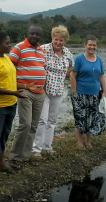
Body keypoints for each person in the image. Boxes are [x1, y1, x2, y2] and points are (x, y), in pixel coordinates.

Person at [0, 32, 27, 182]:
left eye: (10, 42)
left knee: (3, 135)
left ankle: (0, 163)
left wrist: (25, 87)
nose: (10, 45)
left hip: (10, 104)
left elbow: (11, 80)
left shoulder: (7, 59)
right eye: (7, 43)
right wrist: (14, 92)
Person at [8, 24, 46, 168]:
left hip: (40, 93)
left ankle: (25, 156)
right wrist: (18, 86)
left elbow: (42, 68)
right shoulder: (19, 48)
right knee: (26, 124)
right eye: (32, 33)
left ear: (41, 36)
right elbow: (9, 68)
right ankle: (14, 157)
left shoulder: (41, 50)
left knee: (34, 126)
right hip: (25, 91)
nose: (34, 36)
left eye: (37, 34)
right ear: (27, 34)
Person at [32, 25, 74, 157]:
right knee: (42, 119)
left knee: (52, 120)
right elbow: (34, 64)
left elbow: (72, 66)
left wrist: (62, 76)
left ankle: (47, 146)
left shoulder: (67, 53)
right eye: (56, 39)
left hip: (59, 90)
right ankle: (36, 149)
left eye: (61, 40)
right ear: (52, 38)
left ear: (65, 41)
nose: (58, 42)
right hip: (43, 90)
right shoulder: (43, 49)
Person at [70, 34, 106, 149]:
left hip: (95, 94)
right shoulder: (79, 59)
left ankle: (88, 141)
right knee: (80, 118)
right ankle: (80, 142)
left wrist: (104, 91)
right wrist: (74, 91)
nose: (92, 47)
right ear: (85, 45)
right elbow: (72, 75)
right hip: (80, 93)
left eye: (94, 45)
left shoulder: (99, 60)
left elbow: (101, 76)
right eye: (90, 44)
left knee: (92, 118)